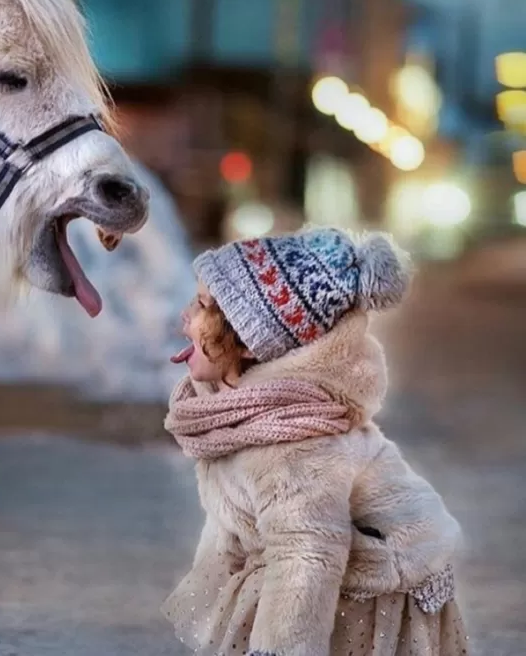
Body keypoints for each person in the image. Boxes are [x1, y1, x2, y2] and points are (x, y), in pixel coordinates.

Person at [162, 227, 469, 656]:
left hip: (373, 585)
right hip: (317, 565)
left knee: (284, 604)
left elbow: (308, 554)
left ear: (251, 341)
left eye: (202, 306)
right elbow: (237, 518)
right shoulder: (239, 414)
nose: (185, 316)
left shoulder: (293, 445)